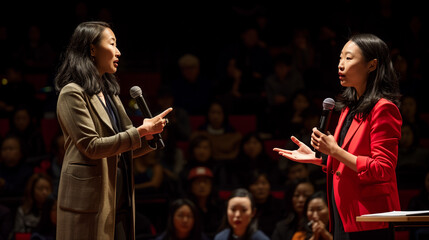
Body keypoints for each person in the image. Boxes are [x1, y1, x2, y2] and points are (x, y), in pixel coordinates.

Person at [274, 33, 402, 239]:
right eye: (340, 58)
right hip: (344, 213)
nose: (340, 64)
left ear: (372, 65)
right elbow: (346, 160)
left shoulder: (383, 109)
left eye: (349, 58)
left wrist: (335, 151)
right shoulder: (349, 107)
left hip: (370, 217)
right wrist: (320, 157)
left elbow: (383, 169)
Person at [54, 21, 172, 240]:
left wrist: (149, 137)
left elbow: (121, 149)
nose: (119, 51)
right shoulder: (72, 93)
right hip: (88, 201)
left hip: (119, 195)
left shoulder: (110, 93)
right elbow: (91, 146)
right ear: (92, 49)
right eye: (112, 44)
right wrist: (140, 132)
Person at [10, 173, 53, 238]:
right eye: (40, 189)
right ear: (32, 190)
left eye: (47, 189)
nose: (45, 192)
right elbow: (18, 236)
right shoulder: (23, 211)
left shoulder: (54, 211)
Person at [185, 166, 223, 238]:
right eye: (198, 182)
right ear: (191, 186)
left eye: (205, 182)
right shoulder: (187, 208)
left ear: (211, 186)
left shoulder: (219, 206)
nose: (202, 185)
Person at [247, 170, 286, 237]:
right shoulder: (246, 206)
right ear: (249, 187)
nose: (260, 187)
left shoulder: (280, 206)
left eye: (264, 183)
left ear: (269, 185)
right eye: (256, 184)